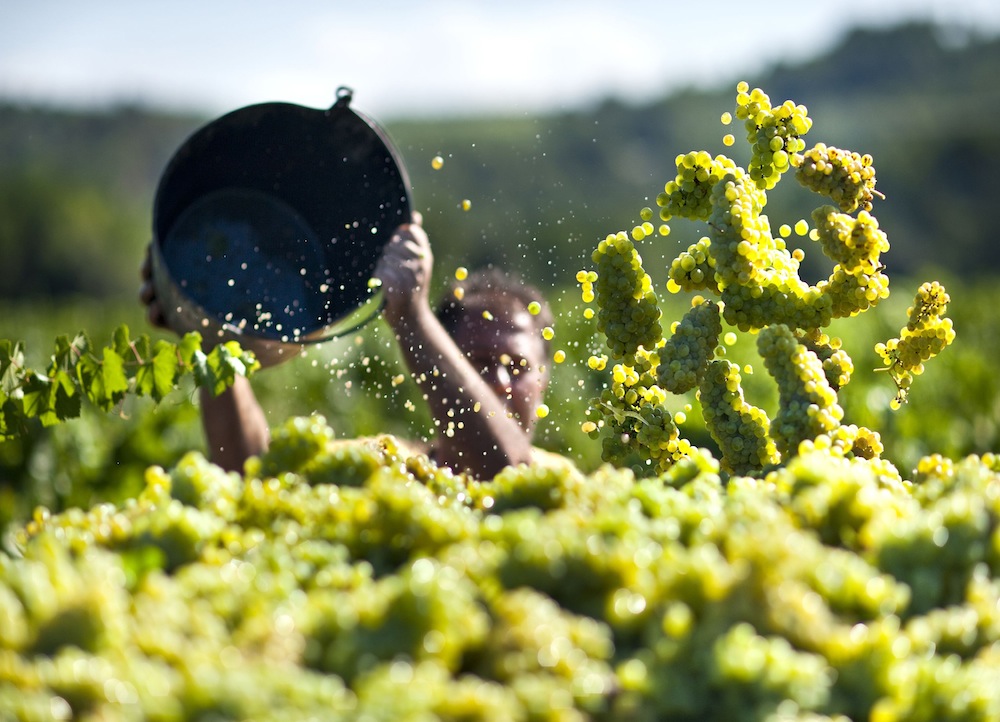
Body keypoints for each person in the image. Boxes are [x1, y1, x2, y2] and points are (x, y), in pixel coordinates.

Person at [139, 213, 557, 479]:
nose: (500, 382)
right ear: (440, 368)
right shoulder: (383, 468)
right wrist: (213, 339)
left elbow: (509, 476)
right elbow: (251, 476)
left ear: (545, 382)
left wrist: (413, 317)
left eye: (517, 367)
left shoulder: (565, 486)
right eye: (477, 363)